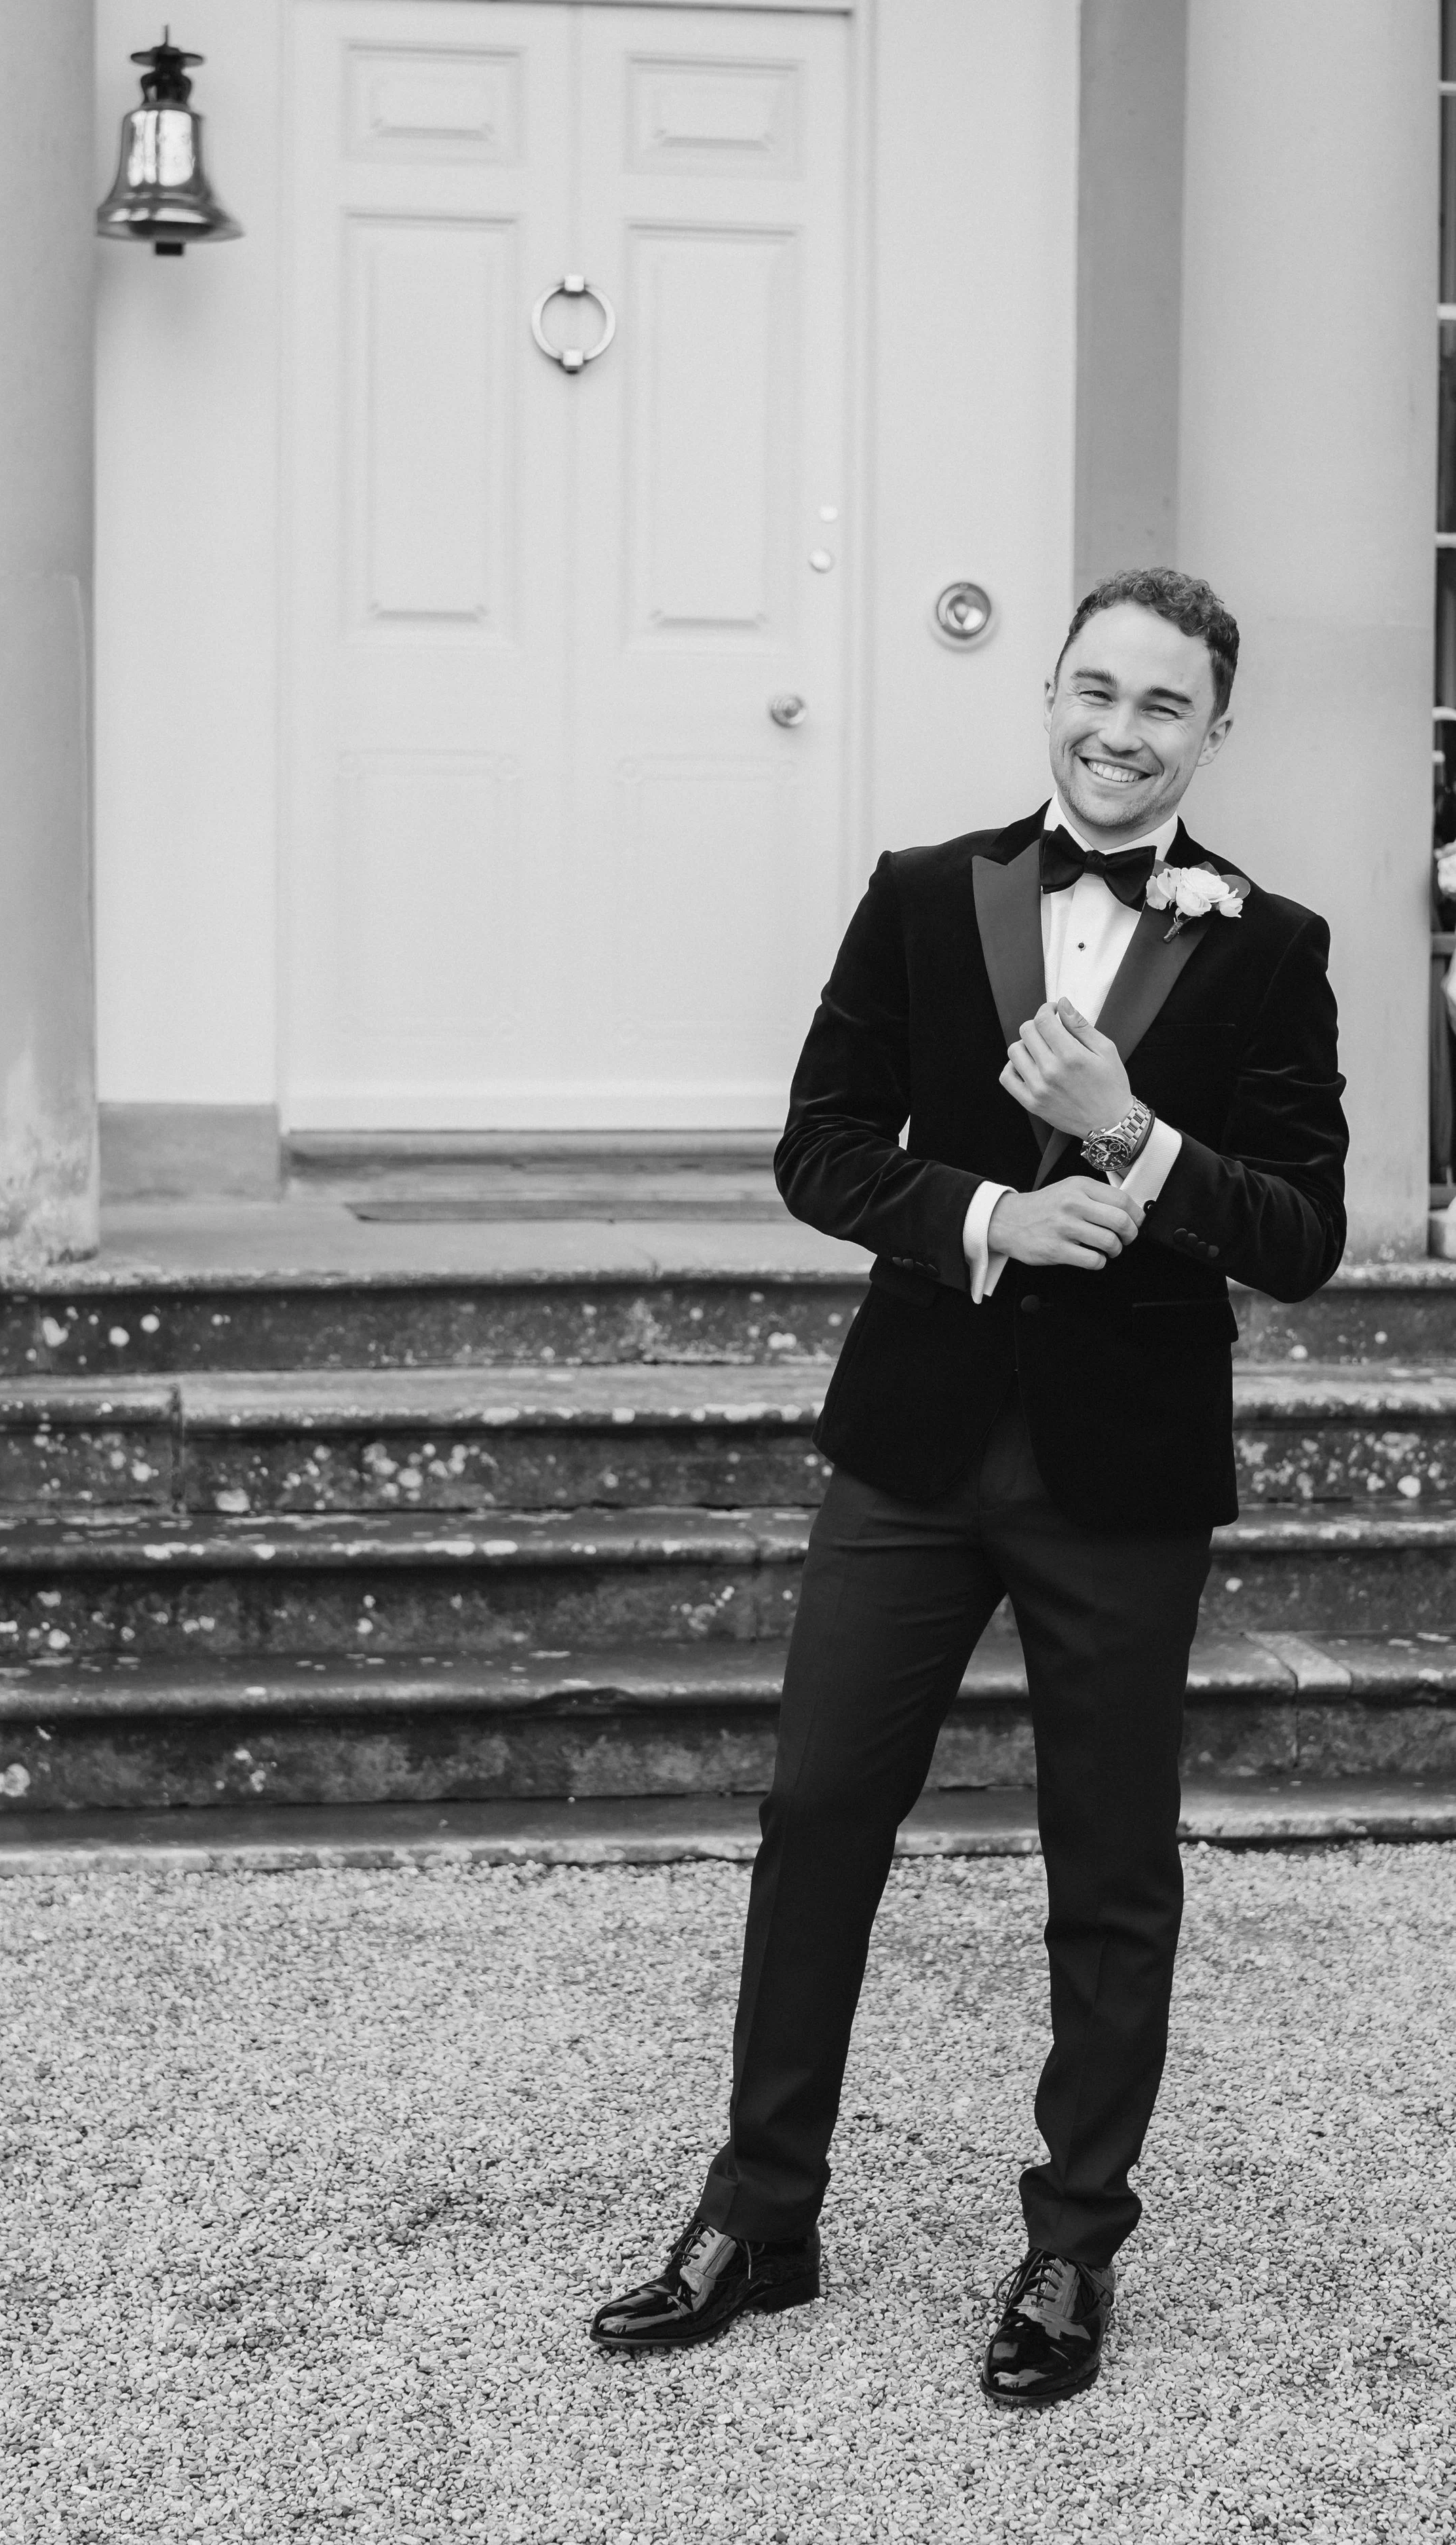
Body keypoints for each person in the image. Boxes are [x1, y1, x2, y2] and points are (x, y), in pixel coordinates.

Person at [588, 567, 1347, 2405]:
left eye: (1159, 705)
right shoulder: (928, 893)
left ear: (1211, 730)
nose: (1115, 728)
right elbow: (820, 1148)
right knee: (816, 1815)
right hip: (913, 1443)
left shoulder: (1273, 943)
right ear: (1050, 695)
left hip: (1124, 1470)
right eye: (1091, 689)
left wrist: (1133, 1136)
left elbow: (1304, 1235)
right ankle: (759, 2209)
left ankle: (1072, 2245)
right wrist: (996, 1213)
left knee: (1108, 1866)